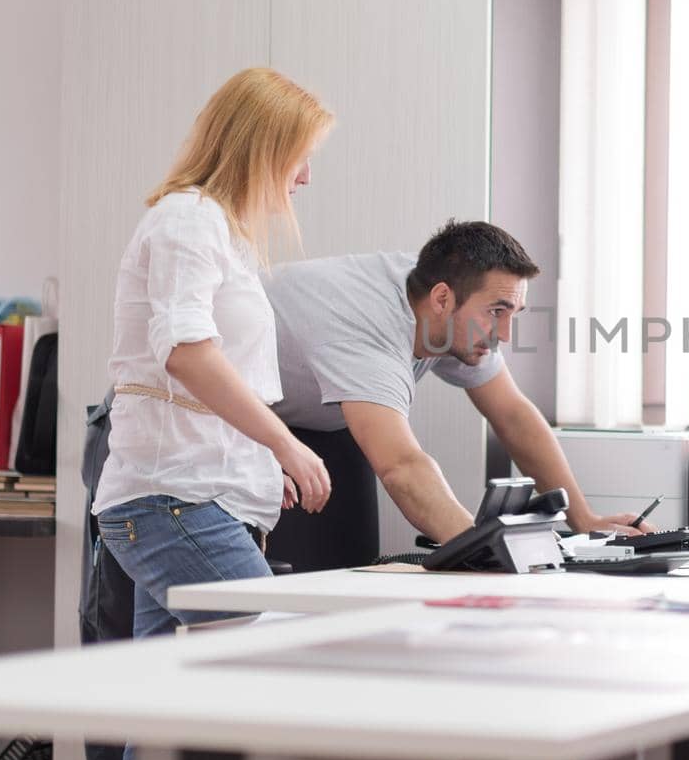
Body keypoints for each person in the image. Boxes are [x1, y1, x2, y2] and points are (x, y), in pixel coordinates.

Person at [90, 67, 334, 760]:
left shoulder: (218, 232)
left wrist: (258, 466)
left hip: (190, 496)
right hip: (170, 499)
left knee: (168, 713)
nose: (306, 178)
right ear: (262, 148)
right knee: (269, 661)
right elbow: (187, 352)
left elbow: (207, 373)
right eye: (300, 156)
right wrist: (281, 443)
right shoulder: (187, 220)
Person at [262, 220, 650, 570]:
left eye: (513, 313)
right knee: (289, 585)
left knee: (348, 570)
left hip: (322, 415)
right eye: (497, 312)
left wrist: (585, 520)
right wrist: (485, 551)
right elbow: (402, 465)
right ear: (442, 299)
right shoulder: (365, 328)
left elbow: (513, 415)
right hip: (235, 421)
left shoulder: (447, 301)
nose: (505, 335)